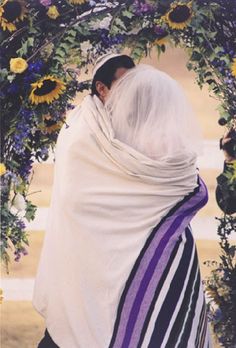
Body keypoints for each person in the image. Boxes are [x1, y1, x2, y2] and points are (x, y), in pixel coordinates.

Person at [33, 57, 213, 347]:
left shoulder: (140, 122)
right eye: (124, 84)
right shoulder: (82, 132)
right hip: (90, 252)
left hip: (158, 248)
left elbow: (171, 182)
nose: (134, 91)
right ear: (102, 89)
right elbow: (79, 199)